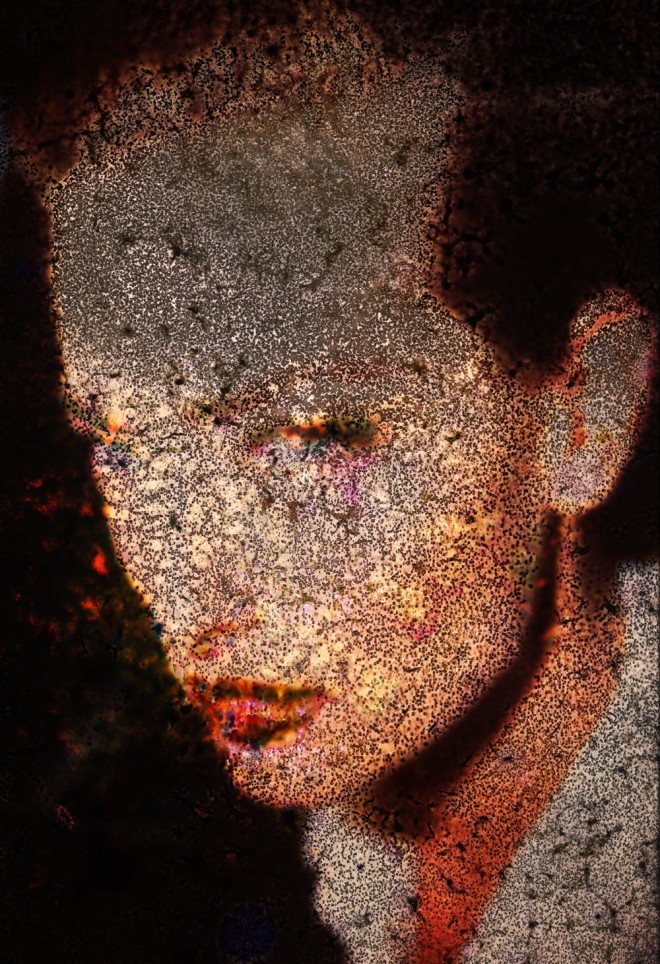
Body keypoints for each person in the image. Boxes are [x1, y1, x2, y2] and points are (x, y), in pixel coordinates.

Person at [13, 9, 657, 962]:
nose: (192, 590)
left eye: (313, 439)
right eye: (122, 444)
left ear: (586, 416)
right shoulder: (327, 865)